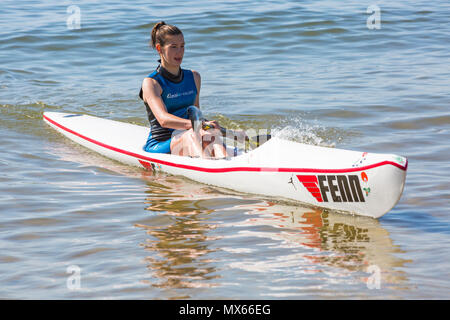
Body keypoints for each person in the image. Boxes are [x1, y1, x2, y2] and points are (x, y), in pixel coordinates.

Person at [139, 21, 227, 158]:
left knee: (212, 134)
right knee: (191, 135)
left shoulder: (194, 77)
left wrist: (210, 126)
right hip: (161, 143)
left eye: (182, 46)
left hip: (190, 134)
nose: (179, 52)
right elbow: (163, 120)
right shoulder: (151, 83)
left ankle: (227, 162)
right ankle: (207, 169)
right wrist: (198, 125)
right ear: (159, 49)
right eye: (173, 47)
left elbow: (196, 114)